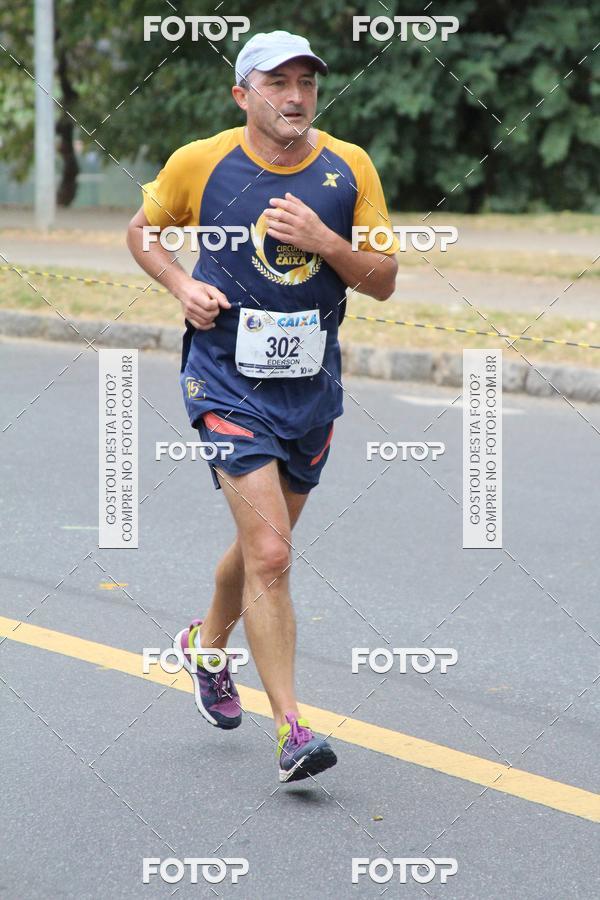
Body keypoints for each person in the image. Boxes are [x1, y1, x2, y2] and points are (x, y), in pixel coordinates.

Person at [126, 30, 399, 782]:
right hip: (224, 377)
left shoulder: (349, 169)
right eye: (277, 83)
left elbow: (382, 278)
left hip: (311, 385)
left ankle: (203, 647)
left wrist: (325, 241)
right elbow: (141, 231)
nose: (295, 97)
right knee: (273, 555)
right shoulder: (201, 161)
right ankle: (291, 730)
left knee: (259, 547)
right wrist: (182, 287)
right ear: (242, 94)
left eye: (306, 82)